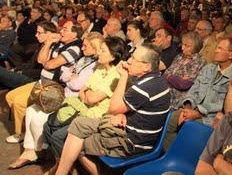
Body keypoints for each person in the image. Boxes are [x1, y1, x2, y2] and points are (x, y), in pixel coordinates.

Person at [54, 44, 170, 175]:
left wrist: (123, 76)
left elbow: (113, 108)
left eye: (134, 59)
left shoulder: (144, 87)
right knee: (78, 125)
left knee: (77, 141)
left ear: (147, 66)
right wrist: (123, 115)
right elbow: (133, 109)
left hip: (131, 142)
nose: (129, 61)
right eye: (131, 56)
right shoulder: (157, 80)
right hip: (132, 131)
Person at [8, 32, 104, 170]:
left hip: (74, 101)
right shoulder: (83, 59)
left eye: (85, 46)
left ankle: (41, 150)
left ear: (95, 48)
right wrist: (72, 76)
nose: (82, 48)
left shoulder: (94, 65)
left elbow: (77, 85)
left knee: (38, 119)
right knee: (31, 110)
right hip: (64, 93)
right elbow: (64, 75)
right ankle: (30, 150)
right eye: (82, 45)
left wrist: (71, 77)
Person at [45, 36, 128, 174]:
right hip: (84, 110)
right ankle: (65, 166)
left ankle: (67, 169)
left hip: (97, 117)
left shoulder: (116, 75)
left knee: (58, 136)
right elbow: (84, 91)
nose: (99, 53)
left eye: (103, 51)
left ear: (113, 56)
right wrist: (88, 95)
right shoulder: (100, 67)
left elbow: (91, 97)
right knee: (48, 126)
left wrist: (88, 95)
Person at [5, 21, 82, 144]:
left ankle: (22, 133)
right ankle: (26, 130)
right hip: (42, 81)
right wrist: (48, 43)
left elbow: (51, 64)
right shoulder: (58, 44)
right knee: (10, 96)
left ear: (74, 34)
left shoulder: (75, 48)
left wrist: (48, 63)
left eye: (65, 30)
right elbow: (41, 61)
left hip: (53, 87)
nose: (60, 31)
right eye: (61, 29)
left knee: (19, 103)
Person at [164, 38, 232, 150]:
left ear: (231, 55)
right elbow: (194, 90)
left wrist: (198, 113)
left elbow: (223, 104)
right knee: (169, 121)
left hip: (210, 117)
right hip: (193, 109)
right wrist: (188, 107)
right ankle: (171, 155)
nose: (215, 51)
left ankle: (187, 160)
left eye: (220, 48)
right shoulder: (208, 68)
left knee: (191, 127)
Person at [164, 31, 206, 109]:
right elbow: (165, 74)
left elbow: (184, 84)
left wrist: (170, 77)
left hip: (178, 102)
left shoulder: (199, 61)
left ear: (195, 47)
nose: (182, 48)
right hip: (166, 96)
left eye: (187, 46)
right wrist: (175, 78)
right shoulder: (179, 57)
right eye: (183, 44)